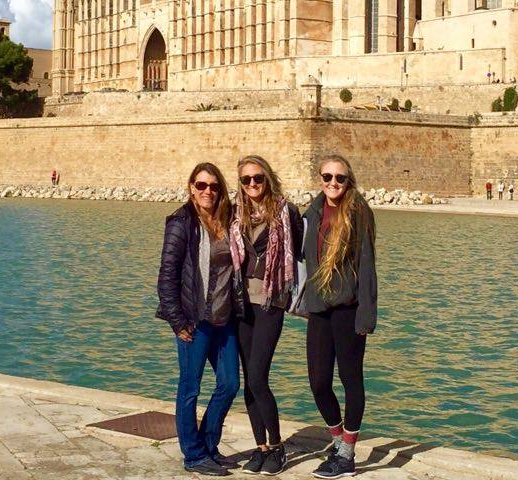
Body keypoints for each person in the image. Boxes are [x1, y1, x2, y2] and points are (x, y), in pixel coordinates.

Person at [156, 162, 243, 476]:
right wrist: (178, 322)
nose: (208, 191)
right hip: (193, 320)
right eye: (202, 185)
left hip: (224, 320)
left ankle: (208, 443)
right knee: (189, 388)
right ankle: (193, 455)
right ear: (192, 187)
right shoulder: (181, 222)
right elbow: (167, 276)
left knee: (230, 383)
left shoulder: (228, 220)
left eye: (214, 186)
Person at [302, 155, 377, 479]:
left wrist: (366, 316)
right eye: (327, 176)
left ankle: (347, 455)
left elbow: (367, 266)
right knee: (318, 383)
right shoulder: (313, 212)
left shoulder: (359, 213)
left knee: (351, 381)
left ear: (349, 181)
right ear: (320, 178)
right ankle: (338, 442)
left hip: (348, 311)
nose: (333, 183)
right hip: (319, 309)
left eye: (340, 178)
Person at [229, 155, 303, 475]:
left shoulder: (286, 212)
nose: (253, 185)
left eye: (258, 178)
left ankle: (277, 446)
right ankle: (260, 448)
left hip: (270, 303)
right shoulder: (235, 214)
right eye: (246, 180)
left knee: (259, 375)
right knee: (249, 380)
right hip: (241, 304)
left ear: (268, 178)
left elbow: (301, 254)